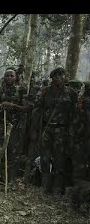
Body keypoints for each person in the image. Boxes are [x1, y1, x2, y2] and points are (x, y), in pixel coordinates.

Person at [34, 67, 77, 195]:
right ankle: (45, 187)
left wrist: (71, 132)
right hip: (47, 128)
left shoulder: (71, 93)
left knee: (60, 159)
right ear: (52, 78)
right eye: (55, 75)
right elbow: (37, 110)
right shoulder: (45, 92)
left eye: (61, 75)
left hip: (62, 130)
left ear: (64, 76)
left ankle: (57, 188)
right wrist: (36, 129)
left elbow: (74, 114)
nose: (58, 77)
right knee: (45, 159)